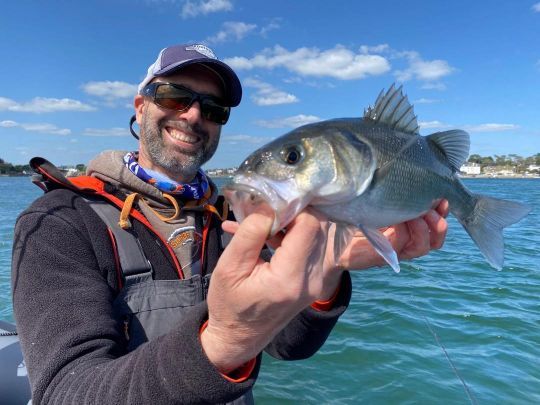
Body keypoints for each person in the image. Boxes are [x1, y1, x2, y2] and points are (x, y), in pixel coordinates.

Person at [11, 44, 449, 404]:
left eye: (214, 108)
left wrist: (328, 269)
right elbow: (64, 391)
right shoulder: (60, 222)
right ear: (141, 106)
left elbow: (286, 346)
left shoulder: (230, 215)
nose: (193, 116)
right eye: (174, 97)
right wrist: (223, 341)